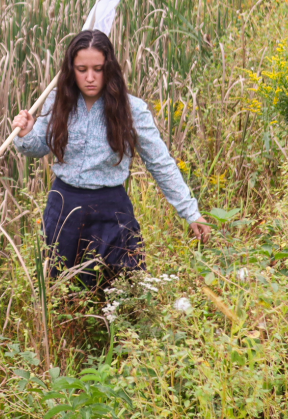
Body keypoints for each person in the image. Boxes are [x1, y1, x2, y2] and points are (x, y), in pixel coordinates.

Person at [12, 29, 209, 286]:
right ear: (71, 69)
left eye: (98, 68)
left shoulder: (132, 109)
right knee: (61, 293)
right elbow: (38, 147)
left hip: (111, 210)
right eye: (82, 69)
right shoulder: (57, 101)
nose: (90, 77)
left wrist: (190, 211)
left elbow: (160, 162)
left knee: (121, 293)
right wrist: (26, 134)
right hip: (63, 208)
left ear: (110, 68)